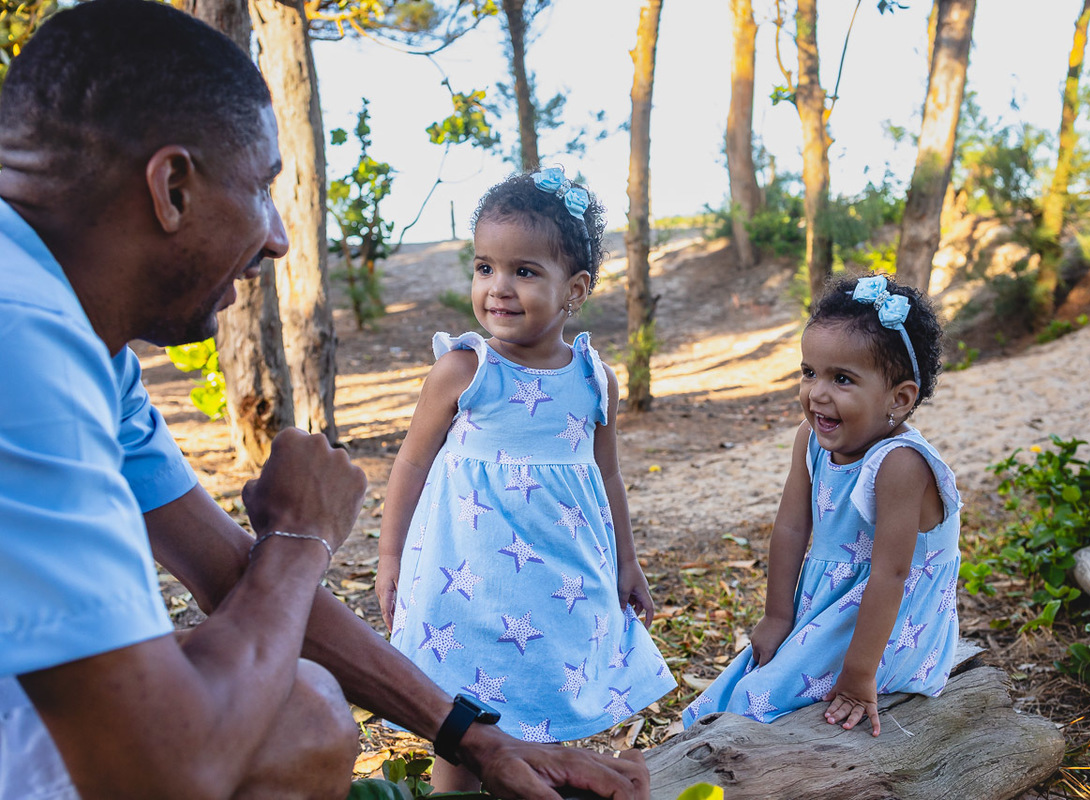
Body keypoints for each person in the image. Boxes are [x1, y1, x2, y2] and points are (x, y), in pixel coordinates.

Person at [0, 2, 649, 798]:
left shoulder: (79, 338)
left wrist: (483, 743)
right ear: (172, 187)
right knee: (301, 715)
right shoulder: (23, 345)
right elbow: (168, 768)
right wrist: (303, 537)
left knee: (287, 698)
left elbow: (227, 572)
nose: (277, 236)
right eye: (264, 189)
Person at [374, 167, 676, 792]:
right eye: (485, 267)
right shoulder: (465, 370)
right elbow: (411, 462)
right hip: (469, 585)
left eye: (525, 271)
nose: (499, 288)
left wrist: (627, 561)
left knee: (551, 703)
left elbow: (609, 475)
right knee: (461, 719)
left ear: (576, 289)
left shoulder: (595, 378)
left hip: (562, 581)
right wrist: (388, 554)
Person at [682, 274, 961, 737]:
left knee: (759, 703)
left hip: (891, 624)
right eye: (809, 372)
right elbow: (791, 529)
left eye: (843, 379)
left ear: (900, 397)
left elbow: (892, 575)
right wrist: (776, 616)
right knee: (742, 681)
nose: (817, 393)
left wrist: (858, 676)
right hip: (828, 604)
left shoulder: (901, 465)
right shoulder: (811, 441)